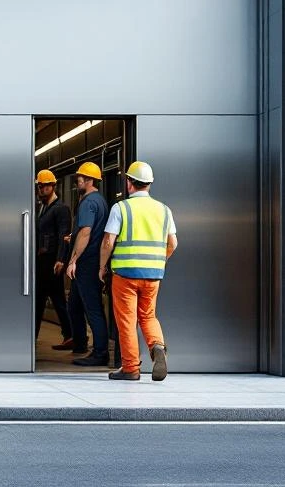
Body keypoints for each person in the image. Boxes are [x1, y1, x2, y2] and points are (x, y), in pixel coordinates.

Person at [99, 161, 177, 381]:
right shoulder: (164, 210)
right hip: (153, 275)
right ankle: (157, 346)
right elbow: (173, 243)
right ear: (149, 184)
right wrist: (159, 260)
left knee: (127, 320)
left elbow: (108, 241)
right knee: (148, 315)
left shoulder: (121, 208)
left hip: (125, 274)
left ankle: (131, 368)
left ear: (129, 182)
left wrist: (102, 266)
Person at [65, 162, 111, 367]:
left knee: (92, 308)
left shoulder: (88, 202)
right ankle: (80, 343)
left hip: (87, 263)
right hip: (90, 261)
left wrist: (73, 260)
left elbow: (86, 232)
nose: (78, 181)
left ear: (90, 180)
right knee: (74, 305)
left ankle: (100, 353)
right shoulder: (100, 201)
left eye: (81, 178)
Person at [33, 171, 73, 347]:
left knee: (49, 298)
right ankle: (69, 334)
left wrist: (61, 259)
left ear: (53, 186)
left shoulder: (60, 209)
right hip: (43, 260)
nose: (42, 189)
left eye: (45, 186)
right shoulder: (43, 208)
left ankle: (69, 334)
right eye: (40, 186)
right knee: (50, 298)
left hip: (51, 261)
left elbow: (64, 234)